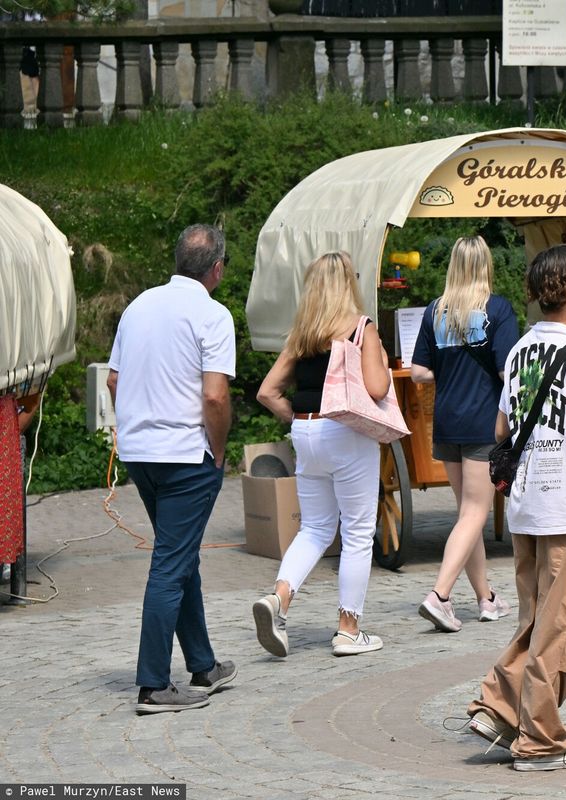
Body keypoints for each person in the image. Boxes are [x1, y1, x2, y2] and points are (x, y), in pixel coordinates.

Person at [464, 244, 566, 772]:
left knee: (539, 620)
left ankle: (499, 706)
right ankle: (540, 742)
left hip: (527, 506)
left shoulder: (518, 353)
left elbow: (501, 432)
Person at [107, 224, 238, 714]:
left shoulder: (138, 306)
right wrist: (219, 452)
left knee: (179, 556)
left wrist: (135, 428)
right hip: (186, 453)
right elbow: (214, 395)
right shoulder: (212, 314)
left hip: (141, 452)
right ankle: (154, 684)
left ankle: (203, 665)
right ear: (217, 268)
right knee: (171, 563)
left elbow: (115, 381)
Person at [253, 251, 390, 658]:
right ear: (349, 284)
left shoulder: (303, 333)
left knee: (313, 528)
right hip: (345, 432)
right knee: (358, 531)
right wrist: (379, 357)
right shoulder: (360, 328)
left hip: (306, 429)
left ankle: (279, 599)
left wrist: (297, 419)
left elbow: (266, 391)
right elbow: (379, 389)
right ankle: (348, 630)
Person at [411, 235, 519, 633]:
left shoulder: (434, 312)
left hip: (446, 421)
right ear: (486, 265)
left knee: (467, 515)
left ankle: (486, 599)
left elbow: (419, 371)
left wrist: (450, 369)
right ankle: (439, 596)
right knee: (475, 512)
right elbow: (509, 370)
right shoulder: (497, 309)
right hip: (481, 421)